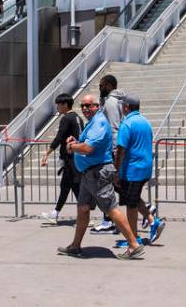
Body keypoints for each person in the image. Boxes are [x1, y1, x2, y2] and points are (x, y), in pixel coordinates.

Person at [56, 93, 145, 260]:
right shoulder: (93, 123)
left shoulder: (99, 123)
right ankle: (75, 246)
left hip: (97, 173)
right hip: (88, 174)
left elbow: (89, 148)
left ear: (97, 106)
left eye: (89, 105)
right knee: (82, 208)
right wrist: (76, 141)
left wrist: (72, 147)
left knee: (111, 208)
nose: (85, 108)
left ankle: (134, 245)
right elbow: (87, 142)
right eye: (82, 105)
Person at [114, 94, 165, 246]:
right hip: (145, 167)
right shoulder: (145, 122)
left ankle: (133, 238)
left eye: (122, 106)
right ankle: (152, 221)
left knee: (131, 204)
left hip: (132, 169)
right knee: (134, 198)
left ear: (126, 107)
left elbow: (120, 150)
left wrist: (116, 171)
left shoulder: (127, 124)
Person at [40, 93, 83, 224]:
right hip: (76, 157)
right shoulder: (77, 118)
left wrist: (47, 152)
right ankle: (58, 213)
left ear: (65, 104)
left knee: (72, 187)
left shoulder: (66, 118)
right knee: (70, 186)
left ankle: (88, 215)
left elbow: (59, 137)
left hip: (71, 157)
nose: (57, 107)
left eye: (58, 104)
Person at [92, 73, 126, 234]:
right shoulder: (117, 101)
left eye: (101, 85)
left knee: (106, 185)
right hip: (114, 149)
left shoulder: (111, 103)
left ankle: (108, 221)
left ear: (109, 85)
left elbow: (113, 128)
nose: (100, 88)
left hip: (112, 150)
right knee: (113, 185)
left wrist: (114, 150)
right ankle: (145, 208)